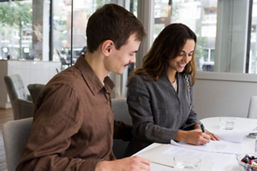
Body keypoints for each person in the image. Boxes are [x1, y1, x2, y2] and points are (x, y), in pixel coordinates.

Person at [17, 4, 150, 171]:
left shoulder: (99, 83)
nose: (133, 61)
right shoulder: (68, 91)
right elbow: (33, 165)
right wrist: (104, 167)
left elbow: (93, 126)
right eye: (131, 53)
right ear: (108, 48)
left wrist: (144, 133)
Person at [126, 23, 220, 154]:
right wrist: (184, 136)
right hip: (148, 153)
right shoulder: (141, 82)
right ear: (165, 49)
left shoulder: (185, 79)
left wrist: (198, 129)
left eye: (190, 54)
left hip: (175, 150)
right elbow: (143, 128)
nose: (186, 59)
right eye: (181, 53)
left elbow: (190, 114)